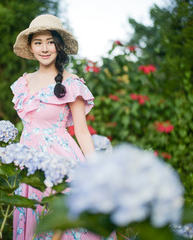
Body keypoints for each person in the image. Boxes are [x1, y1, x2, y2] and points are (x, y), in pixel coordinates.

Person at [11, 14, 115, 240]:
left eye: (50, 41)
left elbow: (81, 130)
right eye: (38, 42)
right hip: (28, 164)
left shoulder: (71, 83)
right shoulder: (23, 82)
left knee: (66, 225)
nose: (44, 48)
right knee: (33, 218)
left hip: (60, 163)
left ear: (59, 46)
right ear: (31, 47)